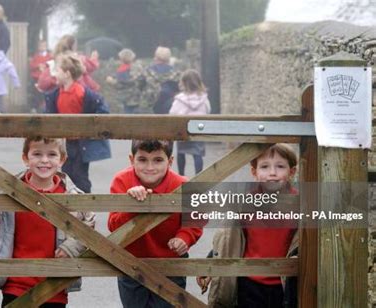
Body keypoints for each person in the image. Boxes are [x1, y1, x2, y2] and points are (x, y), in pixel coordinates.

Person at [0, 136, 96, 307]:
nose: (44, 160)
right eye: (37, 154)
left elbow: (88, 224)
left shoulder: (71, 196)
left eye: (52, 154)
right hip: (15, 285)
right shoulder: (10, 191)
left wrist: (71, 247)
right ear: (25, 158)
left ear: (62, 159)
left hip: (54, 286)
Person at [197, 144, 299, 308]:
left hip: (285, 284)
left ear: (292, 171)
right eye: (264, 167)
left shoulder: (300, 203)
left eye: (280, 166)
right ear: (254, 172)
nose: (272, 173)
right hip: (249, 282)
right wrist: (211, 263)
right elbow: (228, 238)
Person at [108, 140, 203, 308]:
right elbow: (113, 226)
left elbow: (197, 217)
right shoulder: (122, 181)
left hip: (170, 263)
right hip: (131, 264)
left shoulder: (182, 184)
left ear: (170, 161)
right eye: (143, 160)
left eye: (158, 160)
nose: (150, 167)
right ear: (132, 160)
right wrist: (131, 205)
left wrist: (185, 237)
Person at [44, 53, 111, 193]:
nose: (55, 74)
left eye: (58, 71)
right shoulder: (55, 94)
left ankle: (85, 208)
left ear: (67, 73)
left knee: (80, 177)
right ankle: (70, 208)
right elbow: (48, 116)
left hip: (81, 143)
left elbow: (102, 111)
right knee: (65, 174)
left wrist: (92, 129)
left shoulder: (83, 93)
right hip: (63, 142)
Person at [169, 69, 211, 175]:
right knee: (198, 154)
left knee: (180, 153)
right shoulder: (203, 98)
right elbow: (208, 110)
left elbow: (172, 113)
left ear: (183, 83)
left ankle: (181, 175)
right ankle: (198, 176)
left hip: (183, 130)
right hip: (199, 130)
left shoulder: (179, 99)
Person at [141, 46, 180, 114]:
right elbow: (179, 87)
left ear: (156, 56)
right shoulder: (175, 72)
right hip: (169, 104)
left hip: (150, 105)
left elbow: (140, 85)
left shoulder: (147, 71)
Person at [106, 48, 143, 114]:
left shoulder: (121, 70)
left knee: (128, 116)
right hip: (139, 97)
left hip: (127, 99)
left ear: (121, 59)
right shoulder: (138, 67)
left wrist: (110, 81)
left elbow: (120, 84)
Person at [29, 40, 52, 112]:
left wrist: (45, 66)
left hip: (46, 79)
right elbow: (31, 65)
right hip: (37, 78)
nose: (42, 47)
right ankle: (34, 107)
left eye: (44, 46)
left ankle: (45, 107)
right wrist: (38, 66)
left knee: (45, 93)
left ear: (46, 47)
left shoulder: (49, 57)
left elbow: (52, 65)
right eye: (40, 46)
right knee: (36, 93)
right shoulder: (36, 56)